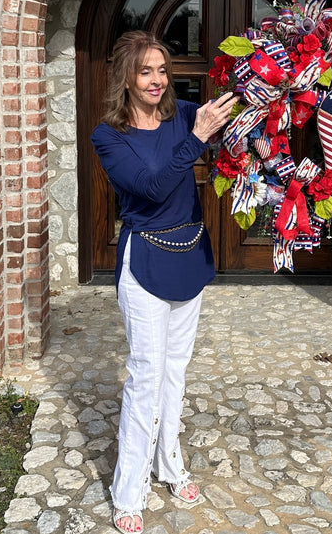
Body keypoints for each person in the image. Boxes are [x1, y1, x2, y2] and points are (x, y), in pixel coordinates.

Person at [91, 30, 237, 534]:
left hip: (189, 253)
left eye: (161, 69)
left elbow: (241, 115)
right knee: (146, 375)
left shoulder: (186, 113)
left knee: (175, 372)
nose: (156, 80)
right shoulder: (109, 136)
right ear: (126, 78)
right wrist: (197, 138)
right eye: (145, 71)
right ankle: (128, 490)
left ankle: (170, 465)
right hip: (144, 263)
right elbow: (151, 187)